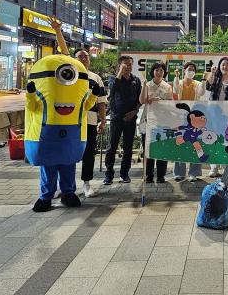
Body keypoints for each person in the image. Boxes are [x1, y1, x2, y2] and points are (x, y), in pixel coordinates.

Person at [50, 17, 107, 198]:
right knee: (65, 152)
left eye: (86, 57)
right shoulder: (70, 74)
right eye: (80, 56)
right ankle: (66, 186)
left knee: (89, 153)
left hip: (89, 121)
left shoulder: (95, 78)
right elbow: (65, 53)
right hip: (68, 120)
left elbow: (101, 101)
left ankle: (87, 183)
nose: (84, 59)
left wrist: (103, 120)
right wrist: (58, 31)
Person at [104, 55, 141, 185]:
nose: (128, 66)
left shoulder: (136, 80)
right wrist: (120, 73)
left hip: (130, 119)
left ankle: (124, 174)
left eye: (130, 64)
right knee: (111, 147)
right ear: (120, 65)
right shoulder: (113, 79)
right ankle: (109, 174)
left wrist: (135, 111)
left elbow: (139, 100)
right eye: (125, 64)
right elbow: (111, 93)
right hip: (116, 118)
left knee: (128, 148)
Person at [205, 56, 228, 177]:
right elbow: (208, 86)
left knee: (227, 140)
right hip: (213, 113)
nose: (225, 67)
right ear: (220, 67)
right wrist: (212, 72)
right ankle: (214, 167)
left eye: (227, 65)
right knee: (213, 139)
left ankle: (226, 165)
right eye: (223, 65)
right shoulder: (216, 78)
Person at [139, 62, 173, 183]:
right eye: (157, 70)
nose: (159, 73)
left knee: (161, 148)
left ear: (164, 73)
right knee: (148, 149)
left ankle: (160, 175)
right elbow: (142, 101)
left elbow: (170, 104)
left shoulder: (168, 86)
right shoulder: (147, 84)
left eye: (161, 71)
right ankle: (148, 175)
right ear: (152, 72)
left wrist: (162, 101)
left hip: (162, 121)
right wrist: (147, 94)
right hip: (148, 121)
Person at [172, 62, 206, 181]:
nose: (191, 71)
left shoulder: (197, 84)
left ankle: (194, 173)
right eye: (189, 69)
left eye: (193, 70)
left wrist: (204, 80)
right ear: (184, 70)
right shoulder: (180, 82)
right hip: (181, 116)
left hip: (194, 118)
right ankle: (179, 172)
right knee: (180, 143)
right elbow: (175, 90)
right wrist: (176, 76)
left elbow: (202, 92)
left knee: (195, 142)